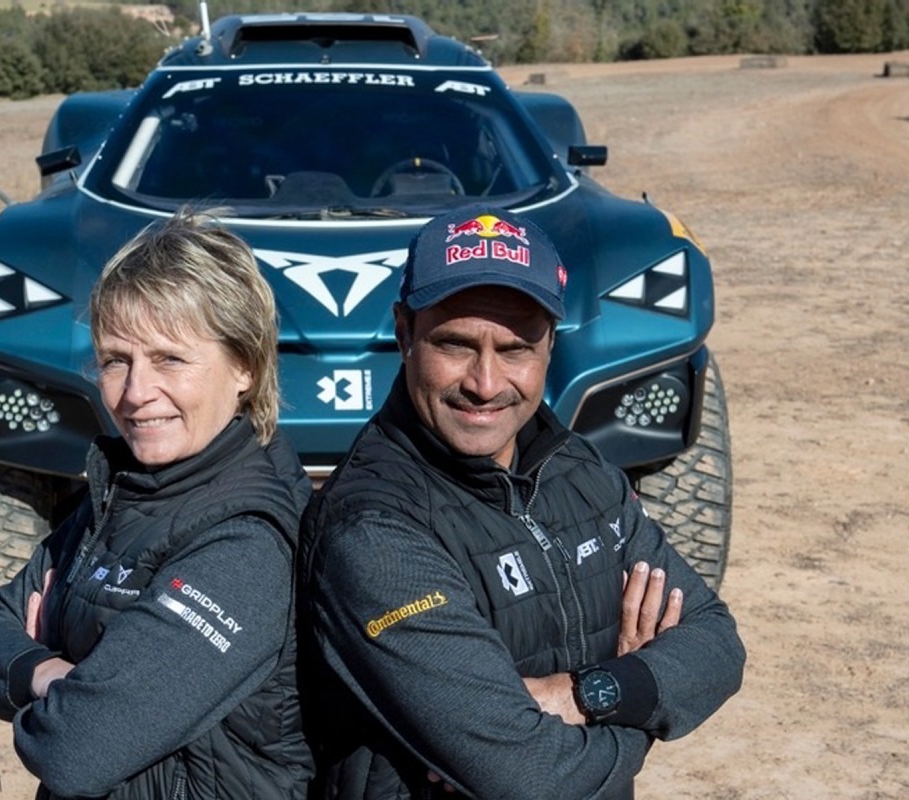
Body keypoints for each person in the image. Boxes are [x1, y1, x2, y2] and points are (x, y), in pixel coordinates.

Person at [297, 205, 746, 799]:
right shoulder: (374, 532)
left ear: (550, 346)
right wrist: (639, 707)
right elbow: (528, 778)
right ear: (404, 333)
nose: (485, 383)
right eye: (455, 344)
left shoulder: (579, 469)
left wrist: (588, 693)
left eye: (515, 349)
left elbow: (717, 642)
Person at [0, 211, 313, 799]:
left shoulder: (247, 543)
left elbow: (75, 749)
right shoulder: (126, 489)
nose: (135, 393)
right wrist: (45, 672)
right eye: (115, 360)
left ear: (245, 367)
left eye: (170, 359)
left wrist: (48, 679)